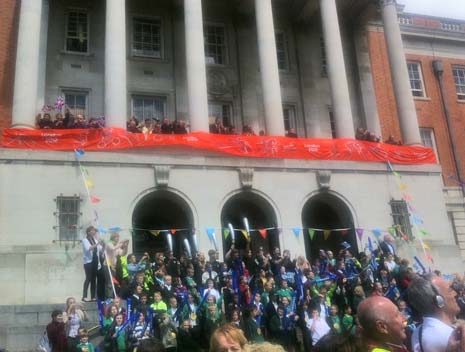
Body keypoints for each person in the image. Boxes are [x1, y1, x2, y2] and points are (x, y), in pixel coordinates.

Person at [407, 275, 465, 352]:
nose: (455, 293)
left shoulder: (418, 332)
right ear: (439, 301)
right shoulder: (453, 338)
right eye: (450, 290)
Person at [81, 226, 102, 302]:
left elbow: (100, 249)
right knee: (88, 278)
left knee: (94, 279)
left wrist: (103, 244)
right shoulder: (85, 240)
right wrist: (97, 244)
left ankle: (93, 296)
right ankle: (84, 296)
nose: (94, 232)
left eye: (94, 231)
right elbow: (88, 248)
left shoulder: (95, 240)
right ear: (88, 232)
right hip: (88, 262)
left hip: (95, 261)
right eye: (93, 231)